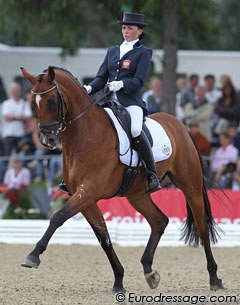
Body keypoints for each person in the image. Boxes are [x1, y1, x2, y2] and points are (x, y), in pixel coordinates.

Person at [60, 12, 160, 194]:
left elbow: (139, 80)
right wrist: (88, 89)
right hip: (109, 102)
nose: (126, 31)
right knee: (87, 128)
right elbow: (101, 77)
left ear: (139, 31)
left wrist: (121, 84)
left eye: (130, 28)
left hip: (130, 102)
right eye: (124, 28)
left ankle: (151, 174)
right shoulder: (112, 51)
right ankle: (69, 177)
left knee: (136, 130)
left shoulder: (144, 52)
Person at [1, 82, 33, 156]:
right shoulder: (6, 103)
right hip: (9, 134)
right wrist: (20, 117)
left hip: (21, 134)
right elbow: (7, 117)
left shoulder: (24, 104)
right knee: (7, 155)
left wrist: (14, 117)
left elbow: (29, 117)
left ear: (19, 92)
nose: (15, 93)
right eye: (14, 91)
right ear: (11, 92)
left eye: (17, 91)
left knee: (21, 155)